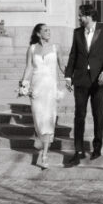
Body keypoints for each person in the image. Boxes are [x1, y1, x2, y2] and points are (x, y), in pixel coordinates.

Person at [64, 4, 103, 166]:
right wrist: (67, 76)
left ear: (88, 16)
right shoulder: (77, 32)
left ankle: (97, 147)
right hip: (80, 79)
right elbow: (73, 55)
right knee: (79, 114)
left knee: (97, 113)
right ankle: (78, 151)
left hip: (99, 79)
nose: (78, 18)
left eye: (80, 15)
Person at [19, 23, 64, 169]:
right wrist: (23, 85)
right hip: (36, 90)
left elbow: (63, 67)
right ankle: (40, 140)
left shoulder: (56, 48)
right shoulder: (32, 49)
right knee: (39, 120)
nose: (49, 32)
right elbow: (29, 68)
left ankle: (44, 155)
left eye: (49, 30)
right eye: (45, 30)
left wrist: (72, 79)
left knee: (48, 121)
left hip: (50, 89)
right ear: (38, 34)